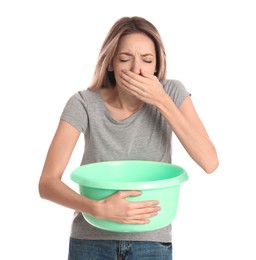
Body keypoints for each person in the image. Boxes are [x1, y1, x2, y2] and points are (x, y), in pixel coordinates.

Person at [38, 16, 219, 260]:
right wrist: (97, 209)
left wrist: (161, 101)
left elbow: (209, 162)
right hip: (90, 241)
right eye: (125, 59)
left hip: (151, 242)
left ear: (157, 65)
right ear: (111, 62)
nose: (137, 69)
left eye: (147, 60)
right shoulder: (83, 103)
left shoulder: (172, 93)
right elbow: (47, 183)